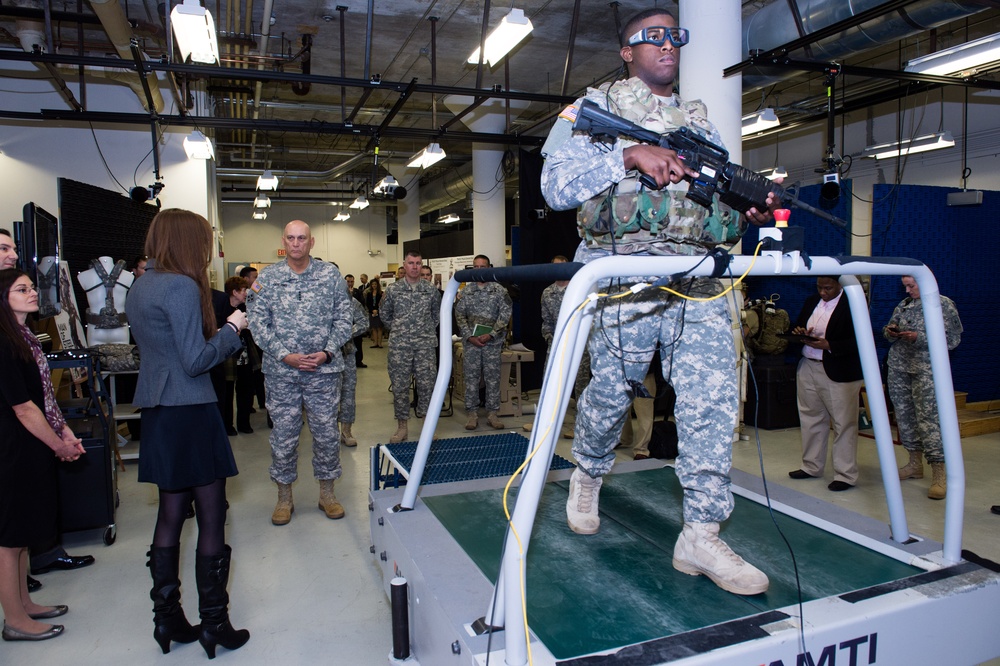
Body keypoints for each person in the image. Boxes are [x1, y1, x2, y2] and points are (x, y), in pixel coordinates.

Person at [539, 8, 779, 596]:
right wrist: (624, 156)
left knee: (712, 399)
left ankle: (700, 531)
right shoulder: (593, 109)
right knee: (613, 388)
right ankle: (589, 475)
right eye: (652, 37)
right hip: (627, 273)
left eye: (676, 36)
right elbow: (553, 186)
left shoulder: (701, 123)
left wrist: (746, 206)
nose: (667, 45)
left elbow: (717, 195)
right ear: (626, 51)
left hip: (695, 274)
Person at [124, 209, 250, 657]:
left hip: (159, 411)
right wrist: (233, 330)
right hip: (191, 410)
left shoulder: (141, 285)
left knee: (170, 514)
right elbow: (196, 360)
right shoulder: (179, 286)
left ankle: (168, 620)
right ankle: (215, 623)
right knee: (212, 515)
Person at [247, 221, 353, 525]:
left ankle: (327, 495)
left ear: (311, 242)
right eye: (291, 238)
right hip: (282, 373)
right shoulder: (267, 278)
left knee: (326, 435)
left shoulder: (329, 275)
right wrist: (286, 355)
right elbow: (257, 324)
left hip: (324, 371)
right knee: (283, 436)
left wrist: (327, 352)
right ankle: (284, 498)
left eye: (302, 238)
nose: (296, 243)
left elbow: (344, 319)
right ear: (284, 241)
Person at [1, 269, 84, 642]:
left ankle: (24, 603)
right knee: (9, 540)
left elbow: (45, 398)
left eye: (31, 287)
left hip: (28, 444)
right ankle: (15, 620)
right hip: (13, 446)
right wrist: (59, 444)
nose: (32, 293)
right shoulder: (3, 341)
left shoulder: (24, 336)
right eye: (22, 289)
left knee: (21, 535)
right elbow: (23, 407)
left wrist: (62, 430)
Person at [884, 275, 963, 500]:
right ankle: (914, 463)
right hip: (900, 366)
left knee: (929, 419)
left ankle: (939, 473)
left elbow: (953, 339)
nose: (907, 291)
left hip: (927, 369)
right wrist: (890, 331)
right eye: (905, 287)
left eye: (911, 286)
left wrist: (919, 337)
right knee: (905, 416)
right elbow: (889, 329)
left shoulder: (943, 304)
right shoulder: (904, 305)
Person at [787, 277, 863, 492]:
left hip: (839, 370)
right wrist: (800, 333)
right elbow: (799, 324)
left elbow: (861, 339)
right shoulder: (812, 301)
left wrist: (829, 344)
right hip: (808, 365)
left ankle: (845, 474)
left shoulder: (854, 303)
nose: (823, 292)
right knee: (810, 417)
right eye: (819, 287)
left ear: (840, 285)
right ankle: (811, 466)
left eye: (828, 288)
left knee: (844, 423)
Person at [380, 250, 442, 443]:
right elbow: (384, 314)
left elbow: (436, 315)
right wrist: (400, 331)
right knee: (399, 387)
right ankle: (402, 427)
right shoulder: (393, 290)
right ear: (404, 265)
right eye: (411, 263)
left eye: (418, 263)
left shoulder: (430, 290)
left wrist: (423, 331)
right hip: (400, 347)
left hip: (425, 346)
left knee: (427, 386)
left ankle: (426, 426)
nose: (415, 267)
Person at [455, 255, 512, 430]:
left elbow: (505, 315)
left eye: (483, 266)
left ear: (489, 267)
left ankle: (492, 414)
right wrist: (468, 336)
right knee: (471, 378)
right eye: (476, 267)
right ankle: (472, 414)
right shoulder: (466, 291)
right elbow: (459, 315)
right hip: (471, 343)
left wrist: (492, 334)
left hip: (492, 343)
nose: (479, 270)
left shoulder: (499, 291)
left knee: (493, 379)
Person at [211, 277, 249, 436]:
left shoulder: (245, 307)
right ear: (234, 292)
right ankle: (227, 425)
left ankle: (244, 423)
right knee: (226, 390)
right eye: (243, 290)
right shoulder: (220, 306)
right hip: (227, 356)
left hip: (243, 354)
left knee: (245, 387)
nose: (246, 293)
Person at [339, 279, 370, 448]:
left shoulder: (349, 300)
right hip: (321, 357)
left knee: (348, 393)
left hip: (346, 353)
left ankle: (346, 430)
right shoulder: (315, 298)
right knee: (324, 396)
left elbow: (364, 322)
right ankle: (326, 432)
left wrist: (345, 333)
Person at [366, 278, 385, 348]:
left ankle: (379, 343)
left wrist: (377, 310)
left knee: (379, 328)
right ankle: (375, 343)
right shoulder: (369, 294)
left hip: (379, 312)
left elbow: (382, 303)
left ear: (378, 285)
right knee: (373, 328)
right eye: (373, 284)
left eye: (375, 284)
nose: (374, 285)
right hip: (371, 312)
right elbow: (368, 303)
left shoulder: (381, 293)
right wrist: (372, 310)